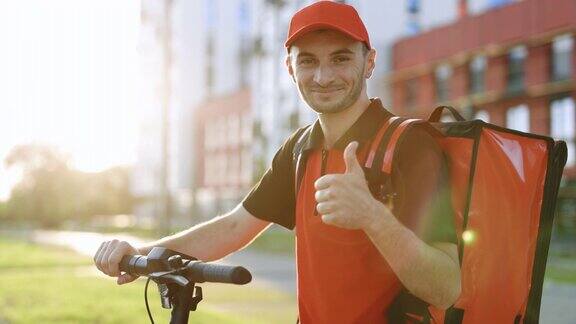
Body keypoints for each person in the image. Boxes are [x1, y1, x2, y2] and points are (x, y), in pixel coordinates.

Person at [94, 1, 461, 323]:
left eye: (341, 57)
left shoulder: (410, 144)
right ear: (290, 68)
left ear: (369, 62)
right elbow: (235, 225)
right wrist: (140, 253)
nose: (323, 76)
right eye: (308, 61)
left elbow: (445, 287)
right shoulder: (298, 149)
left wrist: (372, 216)